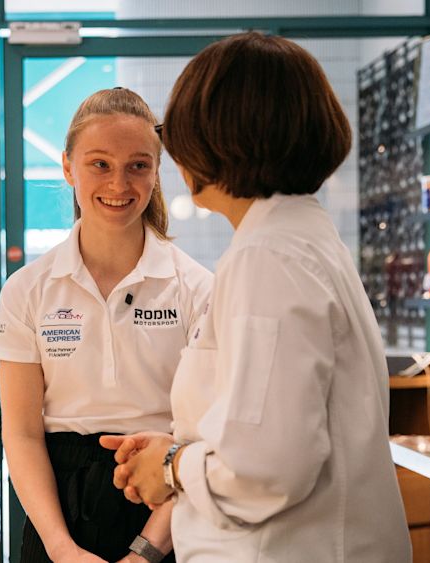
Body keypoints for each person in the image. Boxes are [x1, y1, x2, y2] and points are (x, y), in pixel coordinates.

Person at [101, 32, 413, 562]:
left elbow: (266, 469)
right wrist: (179, 445)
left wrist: (171, 466)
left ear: (220, 137)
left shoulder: (268, 256)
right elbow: (270, 422)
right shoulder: (292, 241)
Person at [0, 87, 212, 563]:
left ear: (156, 172)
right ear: (68, 166)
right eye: (100, 164)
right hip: (58, 515)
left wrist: (146, 552)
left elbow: (203, 437)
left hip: (167, 510)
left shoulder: (197, 289)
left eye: (138, 165)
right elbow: (22, 434)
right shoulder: (27, 290)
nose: (118, 184)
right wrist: (61, 550)